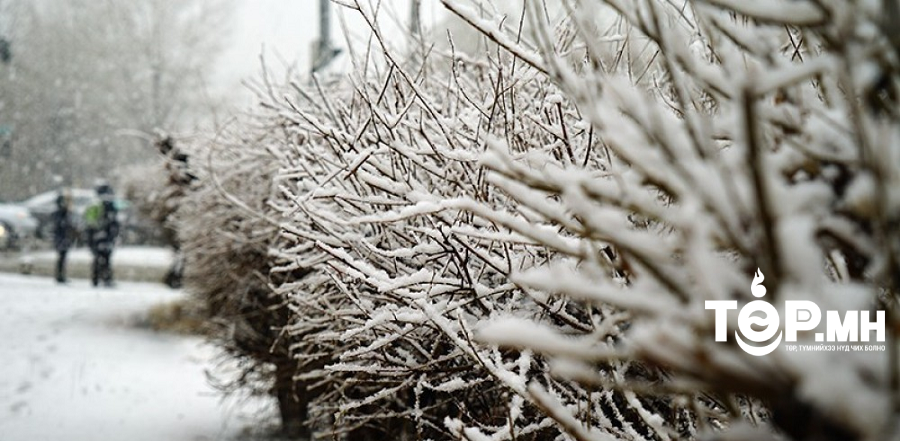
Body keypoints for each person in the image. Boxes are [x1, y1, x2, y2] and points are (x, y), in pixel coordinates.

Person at [84, 183, 119, 287]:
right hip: (103, 235)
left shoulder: (95, 204)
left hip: (97, 235)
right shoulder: (107, 205)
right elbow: (113, 222)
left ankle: (96, 279)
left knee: (98, 257)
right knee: (105, 258)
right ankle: (105, 278)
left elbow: (89, 222)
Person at [51, 190, 73, 283]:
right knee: (62, 257)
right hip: (61, 237)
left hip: (62, 237)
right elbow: (61, 225)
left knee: (62, 257)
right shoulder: (61, 213)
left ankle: (60, 275)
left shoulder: (61, 213)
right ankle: (60, 275)